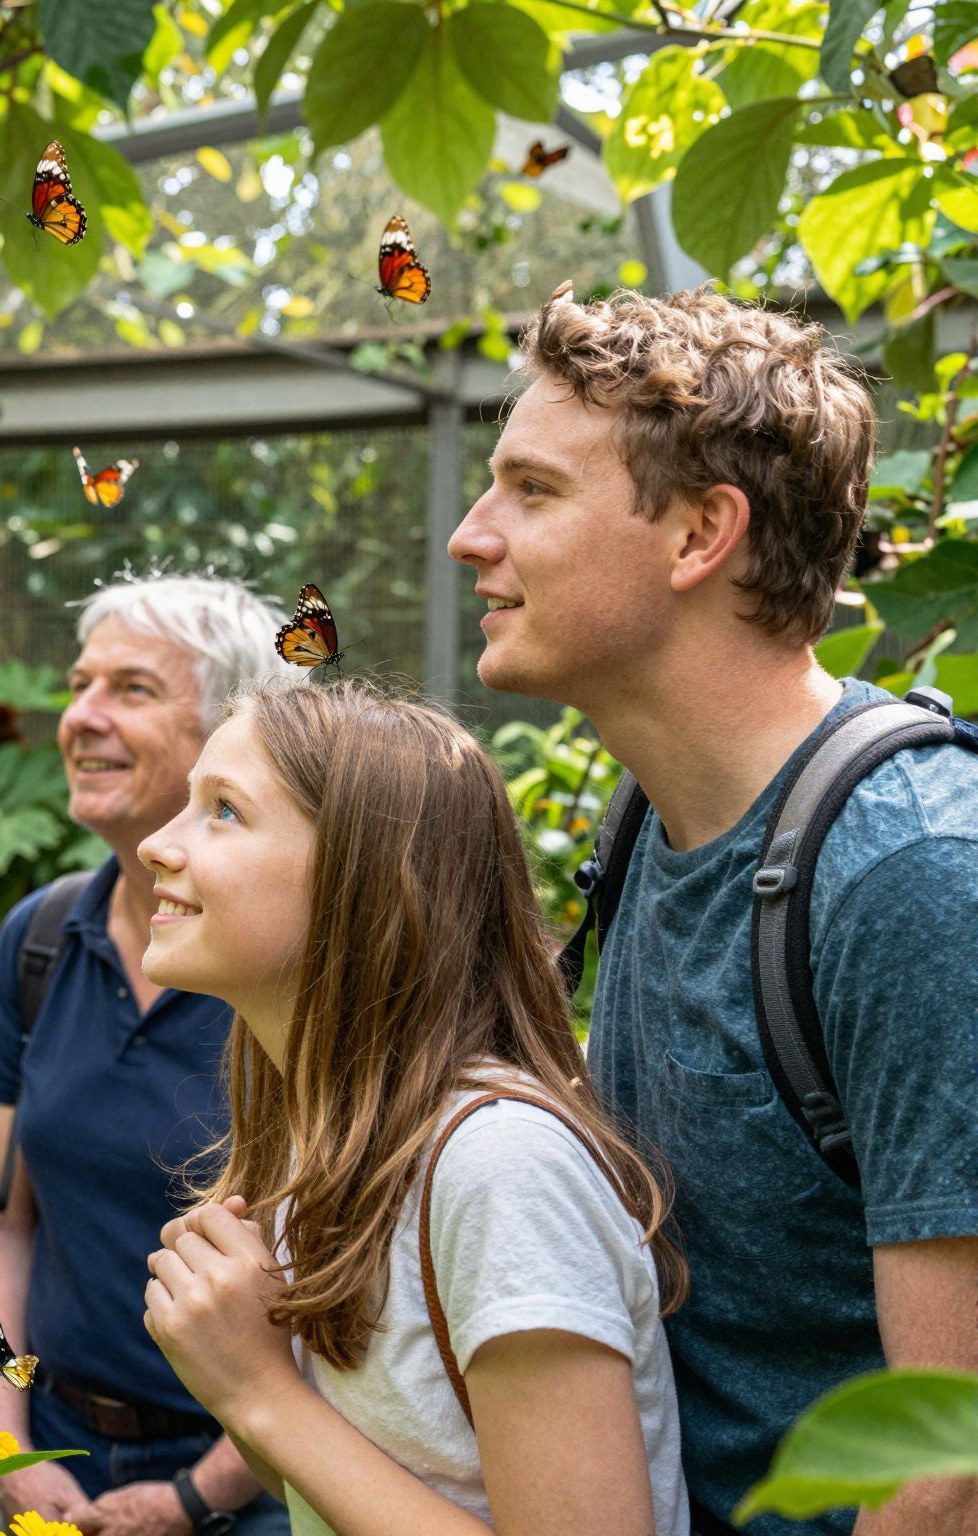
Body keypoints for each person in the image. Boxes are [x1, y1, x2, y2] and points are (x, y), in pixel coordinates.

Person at [449, 285, 978, 1535]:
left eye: (530, 491)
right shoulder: (643, 814)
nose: (472, 535)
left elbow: (949, 1467)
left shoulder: (908, 875)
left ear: (698, 537)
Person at [143, 676, 688, 1536]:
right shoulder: (322, 1153)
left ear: (364, 879)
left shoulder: (499, 1167)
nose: (155, 845)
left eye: (225, 811)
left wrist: (258, 1393)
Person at [0, 574, 290, 1536]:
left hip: (261, 1473)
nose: (79, 717)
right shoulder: (45, 936)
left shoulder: (290, 957)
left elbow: (345, 1270)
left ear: (232, 735)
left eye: (132, 690)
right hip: (52, 1438)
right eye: (79, 683)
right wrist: (7, 1446)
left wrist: (196, 1499)